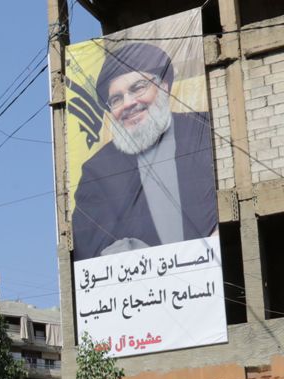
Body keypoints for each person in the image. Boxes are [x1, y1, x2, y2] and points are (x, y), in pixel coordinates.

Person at [71, 42, 217, 261]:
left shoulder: (205, 131)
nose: (129, 103)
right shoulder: (98, 171)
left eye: (138, 88)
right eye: (116, 99)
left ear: (164, 88)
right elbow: (88, 250)